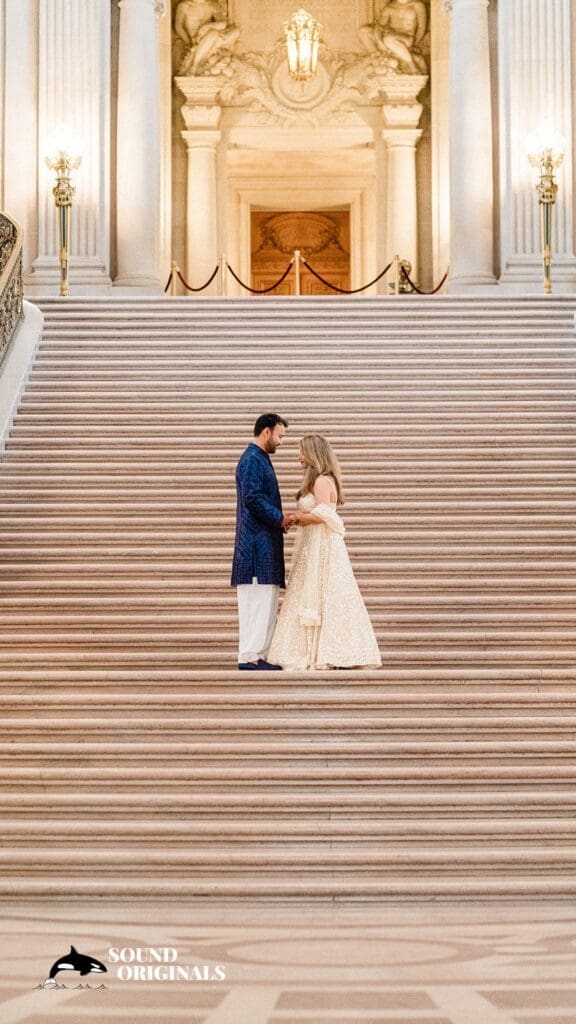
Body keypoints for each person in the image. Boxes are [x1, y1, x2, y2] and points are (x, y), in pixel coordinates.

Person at [267, 434, 382, 671]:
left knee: (321, 592)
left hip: (321, 545)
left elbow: (322, 515)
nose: (299, 457)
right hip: (317, 542)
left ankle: (323, 651)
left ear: (313, 454)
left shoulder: (320, 481)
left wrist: (295, 517)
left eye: (302, 452)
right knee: (325, 593)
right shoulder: (325, 479)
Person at [231, 414, 296, 670]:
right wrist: (280, 518)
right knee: (256, 603)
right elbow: (252, 498)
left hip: (264, 546)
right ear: (266, 432)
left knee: (266, 602)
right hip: (254, 549)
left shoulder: (259, 458)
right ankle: (250, 655)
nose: (281, 441)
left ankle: (258, 655)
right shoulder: (251, 459)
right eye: (279, 436)